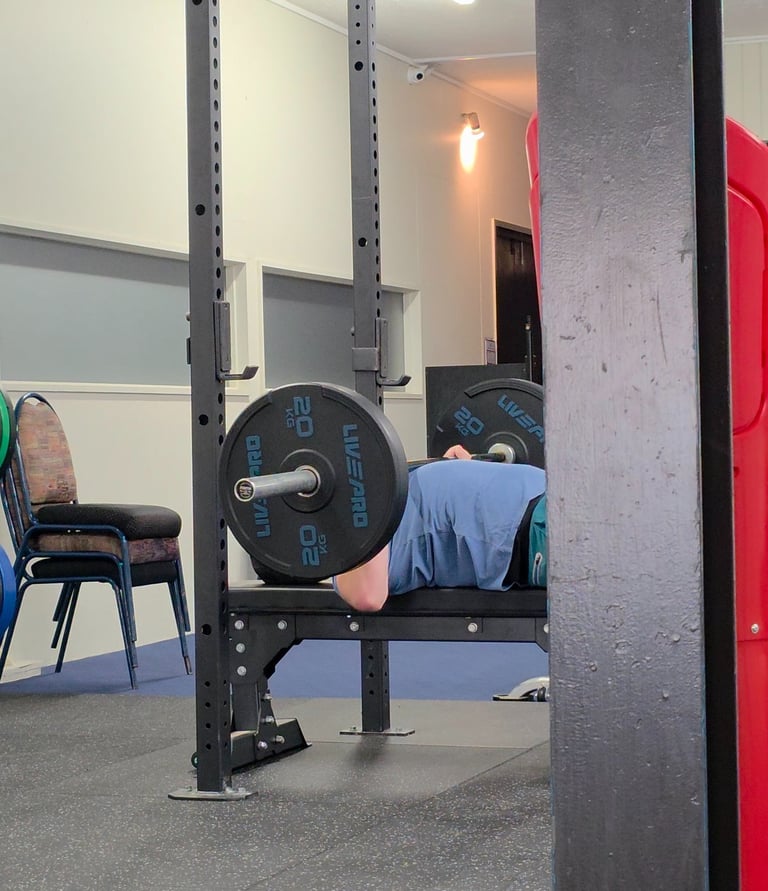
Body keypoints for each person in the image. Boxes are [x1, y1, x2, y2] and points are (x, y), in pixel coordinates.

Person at [334, 445, 547, 612]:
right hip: (532, 526)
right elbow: (368, 597)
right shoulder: (358, 537)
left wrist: (461, 468)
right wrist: (360, 492)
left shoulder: (392, 487)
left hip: (548, 490)